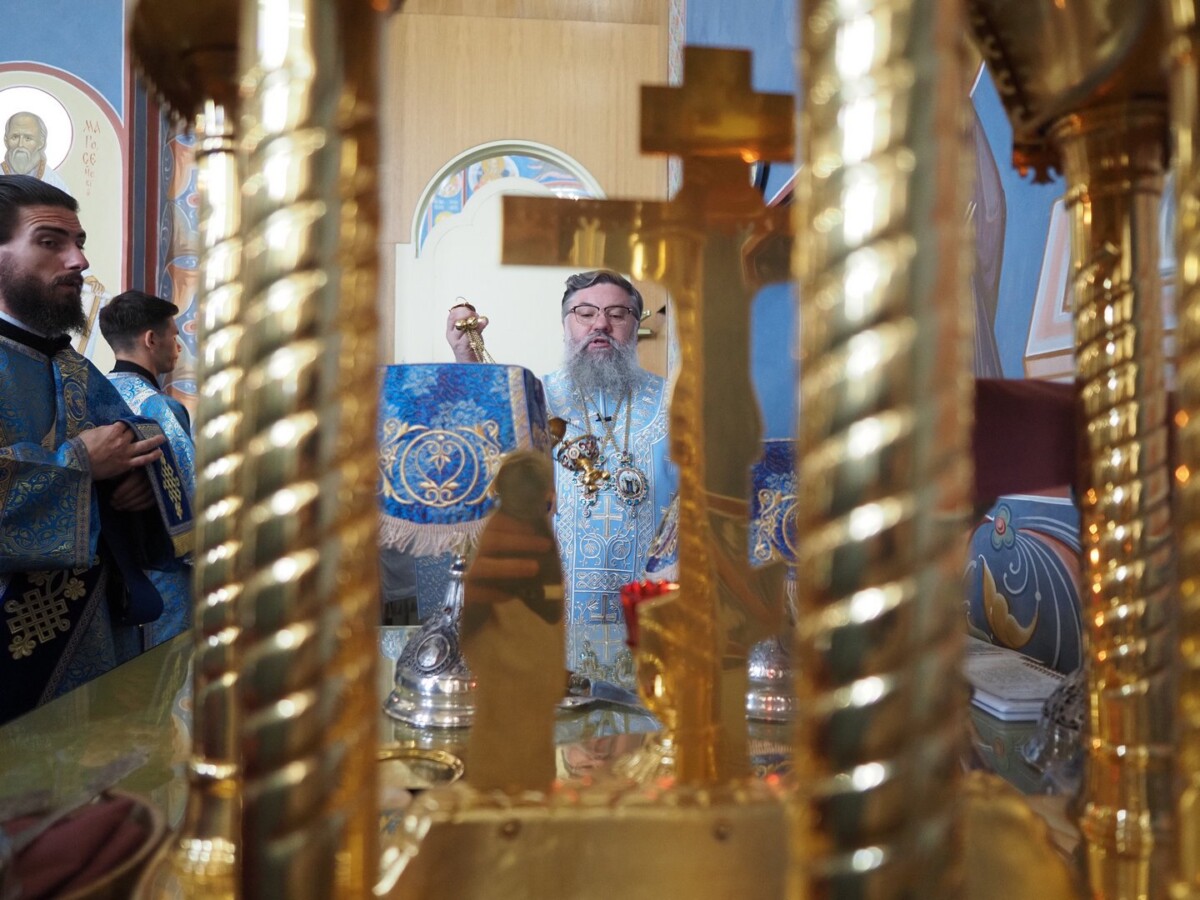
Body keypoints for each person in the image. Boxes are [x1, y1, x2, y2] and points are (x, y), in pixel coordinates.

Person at [0, 174, 189, 724]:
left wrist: (137, 480)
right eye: (50, 242)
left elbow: (143, 447)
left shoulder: (76, 369)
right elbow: (92, 456)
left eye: (79, 242)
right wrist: (80, 465)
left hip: (97, 637)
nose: (79, 261)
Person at [447, 269, 677, 686]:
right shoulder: (535, 399)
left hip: (651, 626)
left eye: (617, 314)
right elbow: (485, 460)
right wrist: (467, 358)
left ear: (635, 325)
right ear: (565, 324)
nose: (600, 324)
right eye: (585, 313)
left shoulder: (675, 403)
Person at [99, 289, 195, 648]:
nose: (178, 346)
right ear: (151, 339)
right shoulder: (158, 407)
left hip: (108, 570)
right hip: (159, 574)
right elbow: (190, 492)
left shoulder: (93, 395)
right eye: (174, 335)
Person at [2, 112, 69, 191]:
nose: (20, 144)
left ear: (41, 142)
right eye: (15, 137)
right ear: (6, 141)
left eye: (28, 138)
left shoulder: (54, 183)